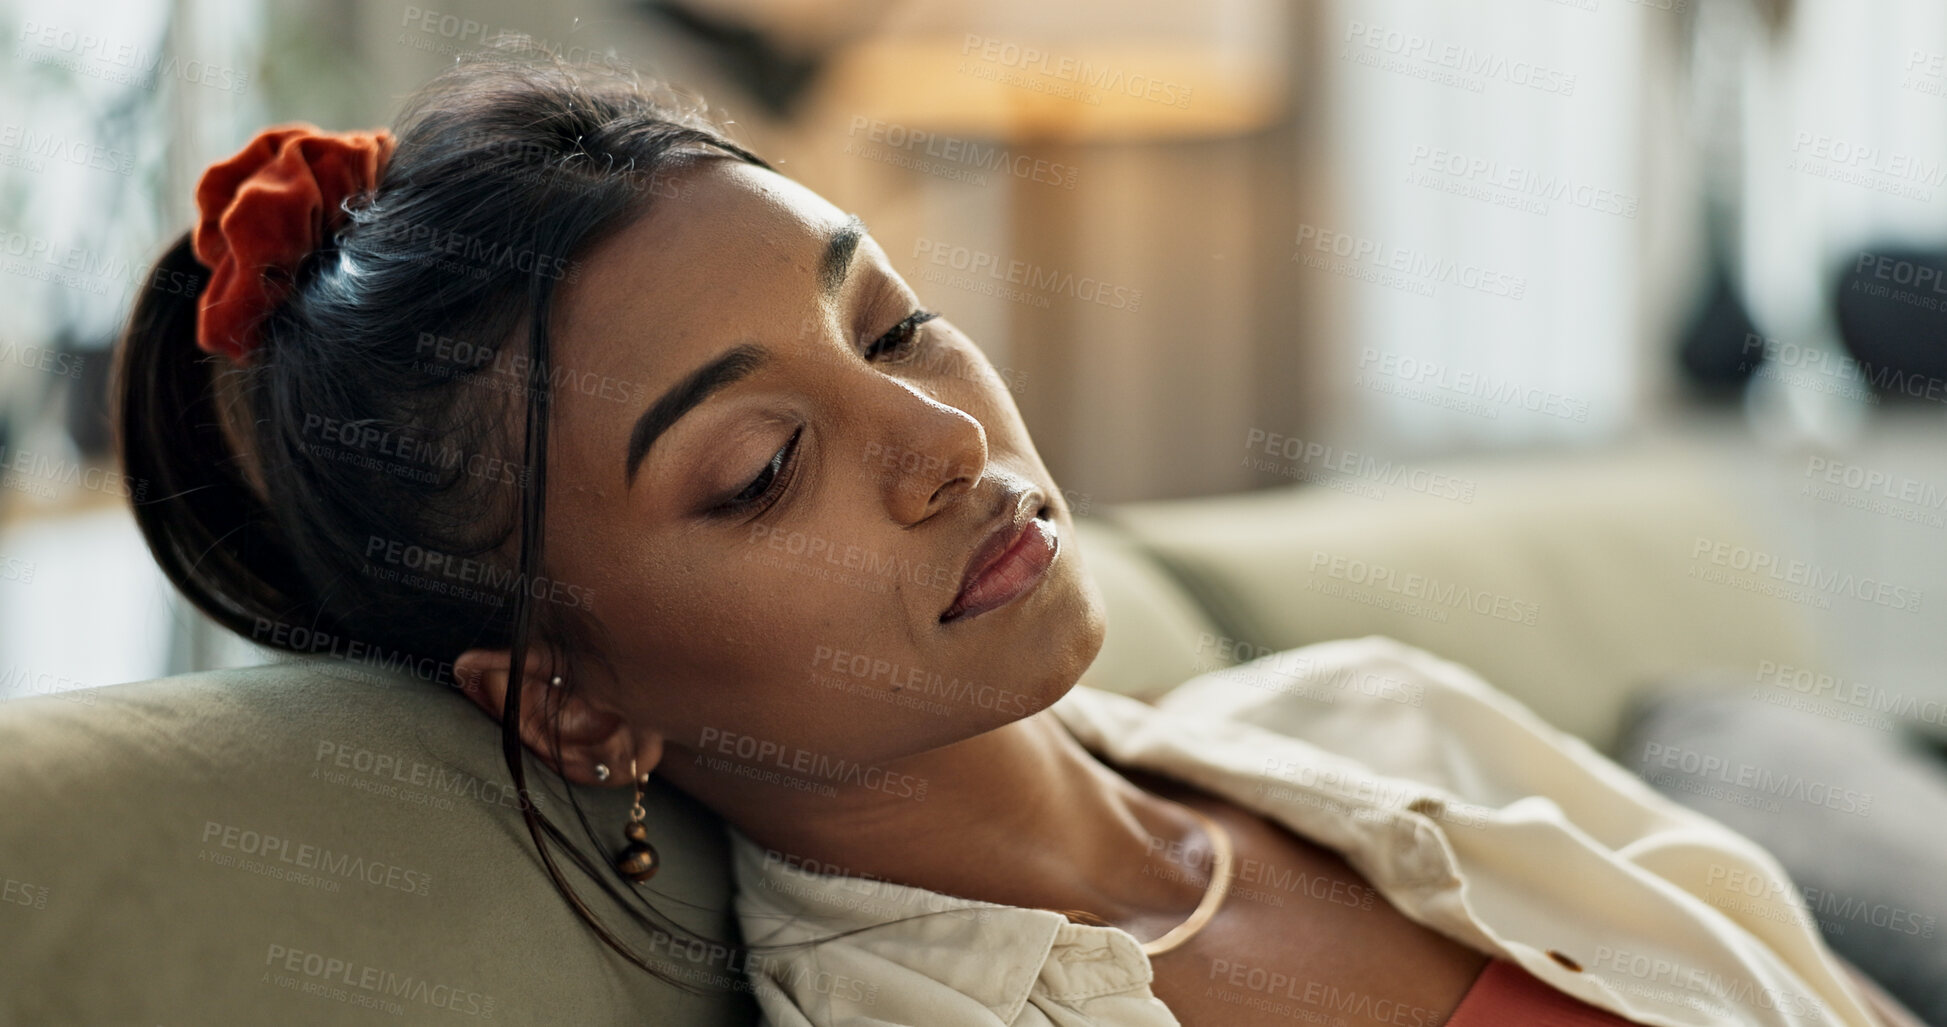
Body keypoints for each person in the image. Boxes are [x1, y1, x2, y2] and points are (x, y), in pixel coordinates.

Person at [114, 49, 1925, 1027]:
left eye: (895, 324)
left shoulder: (1393, 719)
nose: (943, 437)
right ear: (572, 705)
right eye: (759, 469)